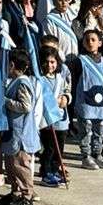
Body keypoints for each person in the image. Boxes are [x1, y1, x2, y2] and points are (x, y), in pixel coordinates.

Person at [0, 48, 39, 205]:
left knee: (20, 166)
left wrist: (6, 101)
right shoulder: (15, 81)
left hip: (21, 134)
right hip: (13, 133)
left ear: (12, 65)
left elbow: (25, 106)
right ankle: (15, 192)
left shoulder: (23, 83)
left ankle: (27, 195)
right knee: (11, 165)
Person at [73, 28, 103, 169]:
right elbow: (74, 81)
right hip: (85, 103)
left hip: (101, 103)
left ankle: (97, 154)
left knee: (100, 129)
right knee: (86, 130)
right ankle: (86, 156)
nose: (90, 42)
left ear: (100, 43)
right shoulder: (79, 61)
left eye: (93, 40)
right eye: (87, 40)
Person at [37, 44, 71, 186]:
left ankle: (56, 169)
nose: (50, 65)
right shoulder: (40, 79)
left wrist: (66, 98)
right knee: (49, 148)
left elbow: (67, 90)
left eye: (52, 62)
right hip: (47, 120)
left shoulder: (60, 78)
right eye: (46, 62)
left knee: (59, 149)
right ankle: (46, 172)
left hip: (61, 120)